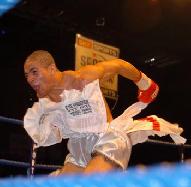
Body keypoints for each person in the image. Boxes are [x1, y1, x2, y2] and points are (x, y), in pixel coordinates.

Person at [23, 50, 186, 175]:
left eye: (34, 71)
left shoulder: (82, 78)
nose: (30, 79)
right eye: (27, 75)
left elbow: (118, 65)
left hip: (107, 141)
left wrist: (143, 82)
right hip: (79, 146)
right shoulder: (44, 103)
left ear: (51, 69)